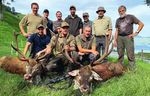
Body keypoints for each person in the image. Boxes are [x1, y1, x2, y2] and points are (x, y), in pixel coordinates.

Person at [114, 5, 144, 71]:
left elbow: (141, 24)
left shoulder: (131, 17)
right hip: (119, 38)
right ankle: (120, 68)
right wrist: (115, 40)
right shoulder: (117, 20)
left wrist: (136, 32)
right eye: (120, 11)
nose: (121, 12)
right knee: (120, 54)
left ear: (125, 10)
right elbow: (116, 31)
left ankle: (132, 69)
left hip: (128, 37)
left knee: (130, 54)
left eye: (122, 11)